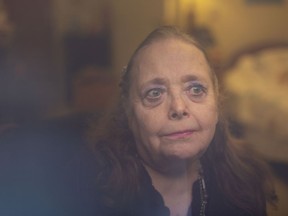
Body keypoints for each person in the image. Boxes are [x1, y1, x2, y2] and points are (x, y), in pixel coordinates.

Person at [90, 26, 277, 216]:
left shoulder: (247, 179)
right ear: (129, 112)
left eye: (196, 89)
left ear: (217, 100)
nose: (178, 108)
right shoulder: (91, 191)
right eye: (154, 94)